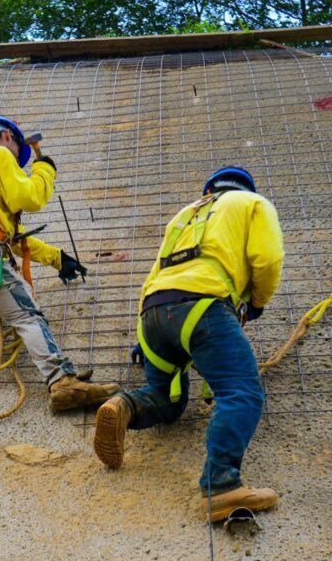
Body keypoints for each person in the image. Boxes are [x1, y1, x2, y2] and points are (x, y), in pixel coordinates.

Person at [92, 165, 284, 520]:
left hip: (153, 314)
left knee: (169, 399)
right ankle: (222, 486)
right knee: (242, 392)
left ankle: (125, 406)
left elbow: (155, 273)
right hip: (203, 305)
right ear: (244, 187)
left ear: (208, 189)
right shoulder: (252, 202)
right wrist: (257, 302)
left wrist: (142, 336)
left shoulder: (183, 215)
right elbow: (269, 258)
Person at [0, 116, 119, 411]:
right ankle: (62, 381)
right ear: (8, 136)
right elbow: (31, 198)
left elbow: (13, 240)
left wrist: (58, 258)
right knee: (27, 316)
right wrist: (44, 170)